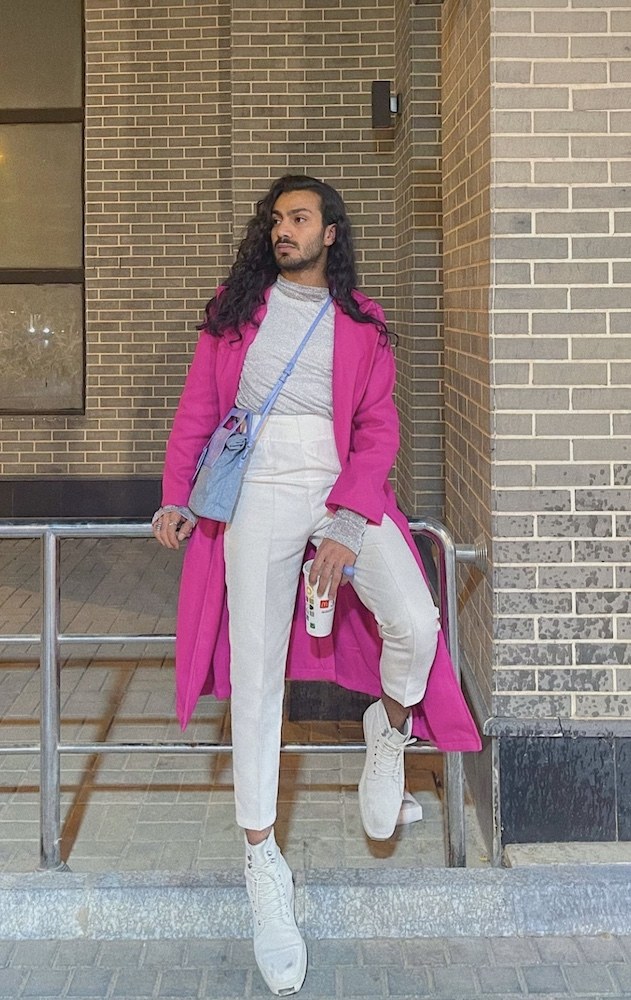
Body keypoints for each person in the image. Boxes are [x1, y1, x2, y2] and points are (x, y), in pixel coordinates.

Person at [152, 174, 480, 996]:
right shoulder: (236, 309)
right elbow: (199, 408)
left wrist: (343, 520)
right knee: (258, 677)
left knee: (414, 617)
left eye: (297, 219)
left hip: (343, 486)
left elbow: (378, 430)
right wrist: (173, 489)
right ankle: (264, 867)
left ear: (331, 231)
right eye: (274, 220)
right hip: (256, 489)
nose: (281, 231)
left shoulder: (362, 322)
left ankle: (388, 727)